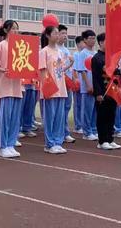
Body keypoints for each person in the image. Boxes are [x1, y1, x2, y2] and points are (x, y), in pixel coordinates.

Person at [0, 20, 24, 158]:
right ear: (6, 30)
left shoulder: (20, 46)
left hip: (17, 85)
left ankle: (11, 144)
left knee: (15, 117)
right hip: (5, 85)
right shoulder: (1, 45)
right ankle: (2, 146)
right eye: (13, 29)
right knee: (5, 117)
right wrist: (4, 70)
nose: (16, 31)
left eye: (17, 29)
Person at [39, 26, 68, 154]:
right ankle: (49, 144)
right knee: (50, 117)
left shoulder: (60, 52)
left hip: (61, 88)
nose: (57, 35)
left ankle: (58, 142)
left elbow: (61, 70)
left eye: (58, 33)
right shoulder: (44, 51)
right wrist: (47, 88)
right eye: (55, 33)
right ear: (48, 36)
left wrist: (70, 64)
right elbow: (43, 70)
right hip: (50, 89)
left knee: (59, 117)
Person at [91, 33, 121, 150]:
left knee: (111, 115)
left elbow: (115, 74)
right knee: (102, 116)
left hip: (112, 91)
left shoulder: (112, 58)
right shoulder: (96, 58)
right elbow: (96, 77)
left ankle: (110, 138)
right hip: (102, 92)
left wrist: (120, 72)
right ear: (101, 42)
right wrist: (98, 93)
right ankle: (102, 140)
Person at [75, 30, 98, 141]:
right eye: (90, 38)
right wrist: (88, 85)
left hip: (96, 85)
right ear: (84, 39)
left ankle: (93, 129)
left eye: (94, 38)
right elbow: (82, 71)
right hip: (87, 86)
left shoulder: (95, 53)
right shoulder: (82, 53)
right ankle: (87, 132)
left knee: (94, 110)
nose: (93, 40)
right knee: (87, 110)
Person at [57, 24, 75, 143]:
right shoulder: (56, 50)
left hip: (68, 82)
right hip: (59, 82)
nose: (65, 36)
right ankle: (61, 132)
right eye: (62, 33)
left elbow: (70, 69)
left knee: (67, 107)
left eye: (65, 33)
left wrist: (72, 79)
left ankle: (65, 131)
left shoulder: (66, 50)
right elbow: (59, 68)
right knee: (60, 108)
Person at [73, 35, 85, 134]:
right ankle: (78, 125)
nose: (84, 44)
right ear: (78, 44)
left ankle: (83, 124)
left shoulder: (86, 54)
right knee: (78, 104)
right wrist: (76, 81)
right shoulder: (76, 55)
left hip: (85, 83)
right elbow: (75, 69)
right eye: (82, 42)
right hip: (78, 83)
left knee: (83, 105)